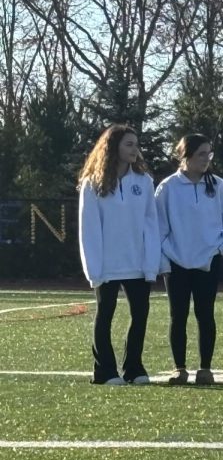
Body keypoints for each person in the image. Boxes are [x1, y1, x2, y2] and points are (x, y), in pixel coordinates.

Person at [78, 124, 160, 386]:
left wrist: (151, 263)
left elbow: (150, 224)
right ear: (113, 147)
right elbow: (88, 228)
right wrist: (94, 269)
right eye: (129, 144)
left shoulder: (144, 182)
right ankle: (105, 371)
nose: (135, 149)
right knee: (105, 313)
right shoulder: (93, 184)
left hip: (137, 263)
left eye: (136, 144)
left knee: (140, 314)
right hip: (106, 264)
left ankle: (134, 368)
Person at [155, 134, 223, 386]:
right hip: (176, 262)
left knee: (205, 314)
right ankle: (179, 368)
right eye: (201, 154)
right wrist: (164, 259)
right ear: (186, 156)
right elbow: (159, 227)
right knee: (177, 315)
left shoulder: (221, 187)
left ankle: (205, 368)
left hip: (208, 262)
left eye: (209, 154)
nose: (206, 159)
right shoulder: (168, 188)